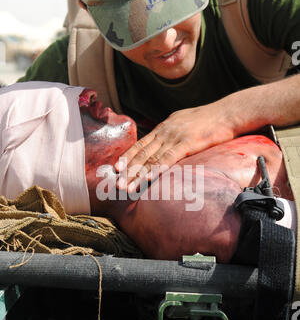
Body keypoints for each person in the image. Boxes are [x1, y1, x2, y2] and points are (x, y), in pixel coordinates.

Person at [18, 0, 300, 195]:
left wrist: (225, 116)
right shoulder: (78, 63)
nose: (166, 41)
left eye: (173, 5)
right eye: (136, 25)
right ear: (89, 11)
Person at [0, 81, 296, 264]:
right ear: (54, 165)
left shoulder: (166, 178)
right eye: (65, 113)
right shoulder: (172, 202)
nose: (88, 96)